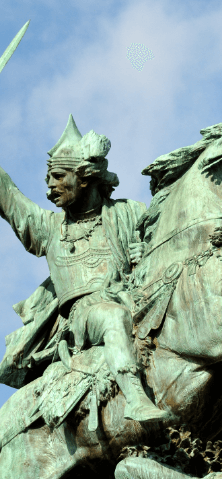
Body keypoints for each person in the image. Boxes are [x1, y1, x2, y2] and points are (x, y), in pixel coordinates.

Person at [0, 114, 174, 423]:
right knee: (111, 316)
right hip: (85, 314)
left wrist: (145, 253)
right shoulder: (48, 228)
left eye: (57, 177)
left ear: (84, 176)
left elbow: (163, 256)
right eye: (48, 180)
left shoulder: (130, 212)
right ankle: (135, 399)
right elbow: (7, 195)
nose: (50, 187)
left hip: (139, 298)